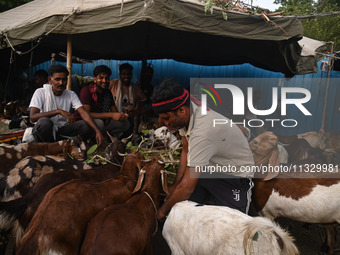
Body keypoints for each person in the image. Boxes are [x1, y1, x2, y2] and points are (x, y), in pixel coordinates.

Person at [151, 78, 255, 220]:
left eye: (166, 118)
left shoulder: (203, 131)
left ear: (181, 110)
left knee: (236, 224)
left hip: (234, 175)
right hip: (210, 168)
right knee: (182, 209)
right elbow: (186, 150)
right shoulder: (188, 114)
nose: (162, 123)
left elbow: (187, 187)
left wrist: (162, 212)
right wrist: (175, 185)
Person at [29, 64, 104, 145]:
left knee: (85, 125)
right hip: (45, 132)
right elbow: (33, 117)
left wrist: (97, 131)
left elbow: (83, 112)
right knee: (45, 122)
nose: (61, 83)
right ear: (50, 80)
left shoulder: (71, 94)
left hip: (61, 130)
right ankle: (48, 146)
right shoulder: (40, 92)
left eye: (64, 79)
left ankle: (61, 144)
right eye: (57, 79)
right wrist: (58, 111)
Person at [74, 65, 130, 139]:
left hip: (102, 122)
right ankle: (91, 138)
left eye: (106, 78)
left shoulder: (108, 92)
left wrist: (121, 116)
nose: (104, 81)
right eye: (101, 78)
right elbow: (86, 114)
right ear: (95, 79)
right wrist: (111, 115)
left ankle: (104, 135)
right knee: (99, 123)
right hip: (84, 122)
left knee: (125, 124)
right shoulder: (86, 90)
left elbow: (115, 112)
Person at [110, 63, 147, 134]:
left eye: (129, 74)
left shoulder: (135, 88)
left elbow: (143, 100)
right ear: (120, 74)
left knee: (127, 139)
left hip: (129, 117)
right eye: (124, 74)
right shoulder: (112, 84)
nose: (126, 76)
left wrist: (136, 111)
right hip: (114, 117)